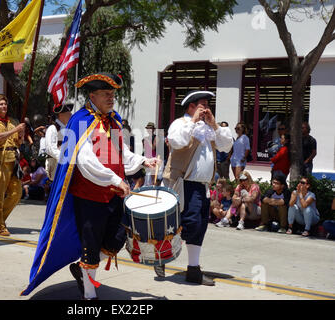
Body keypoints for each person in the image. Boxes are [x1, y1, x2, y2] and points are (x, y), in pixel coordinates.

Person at [21, 73, 160, 299]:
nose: (111, 98)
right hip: (90, 195)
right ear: (92, 95)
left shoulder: (114, 119)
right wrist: (116, 180)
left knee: (117, 238)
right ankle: (89, 295)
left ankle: (81, 270)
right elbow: (85, 161)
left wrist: (144, 161)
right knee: (91, 244)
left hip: (114, 193)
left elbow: (121, 152)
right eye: (106, 94)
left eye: (113, 94)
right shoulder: (80, 120)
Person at [159, 90, 233, 285]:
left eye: (208, 105)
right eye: (203, 105)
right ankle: (163, 253)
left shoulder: (209, 128)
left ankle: (193, 269)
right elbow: (177, 142)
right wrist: (192, 121)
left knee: (199, 226)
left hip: (202, 186)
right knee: (187, 223)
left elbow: (226, 146)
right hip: (183, 183)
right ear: (191, 106)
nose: (207, 109)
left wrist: (214, 124)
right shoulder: (180, 124)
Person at [0, 94, 25, 237]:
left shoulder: (11, 122)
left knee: (16, 193)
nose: (4, 106)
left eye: (5, 104)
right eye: (0, 104)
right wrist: (15, 130)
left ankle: (0, 219)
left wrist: (20, 135)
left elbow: (17, 142)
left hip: (12, 161)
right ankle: (0, 226)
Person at [45, 103, 73, 181]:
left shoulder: (68, 130)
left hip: (65, 167)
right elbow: (51, 149)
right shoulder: (52, 128)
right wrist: (64, 159)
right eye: (68, 112)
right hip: (56, 167)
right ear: (61, 115)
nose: (71, 114)